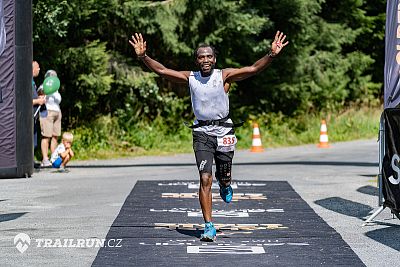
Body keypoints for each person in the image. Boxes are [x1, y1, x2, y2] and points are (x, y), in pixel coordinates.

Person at [129, 31, 288, 242]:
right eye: (201, 57)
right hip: (202, 133)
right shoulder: (191, 77)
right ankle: (209, 225)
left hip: (224, 132)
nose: (205, 60)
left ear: (215, 59)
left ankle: (225, 184)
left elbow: (253, 69)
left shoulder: (224, 76)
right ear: (197, 60)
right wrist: (143, 57)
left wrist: (271, 54)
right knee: (205, 178)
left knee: (224, 176)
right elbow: (163, 71)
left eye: (209, 56)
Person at [39, 70, 62, 167]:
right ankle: (45, 159)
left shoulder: (56, 88)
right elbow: (40, 93)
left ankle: (53, 157)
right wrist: (45, 90)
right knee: (46, 136)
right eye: (51, 75)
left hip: (57, 112)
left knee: (55, 136)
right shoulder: (43, 85)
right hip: (47, 112)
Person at [32, 61, 46, 168]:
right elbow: (23, 100)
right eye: (38, 67)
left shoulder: (32, 82)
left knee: (34, 142)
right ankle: (28, 162)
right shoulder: (27, 82)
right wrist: (37, 101)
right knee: (30, 141)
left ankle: (30, 161)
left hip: (34, 116)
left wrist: (39, 98)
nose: (39, 69)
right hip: (29, 116)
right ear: (32, 69)